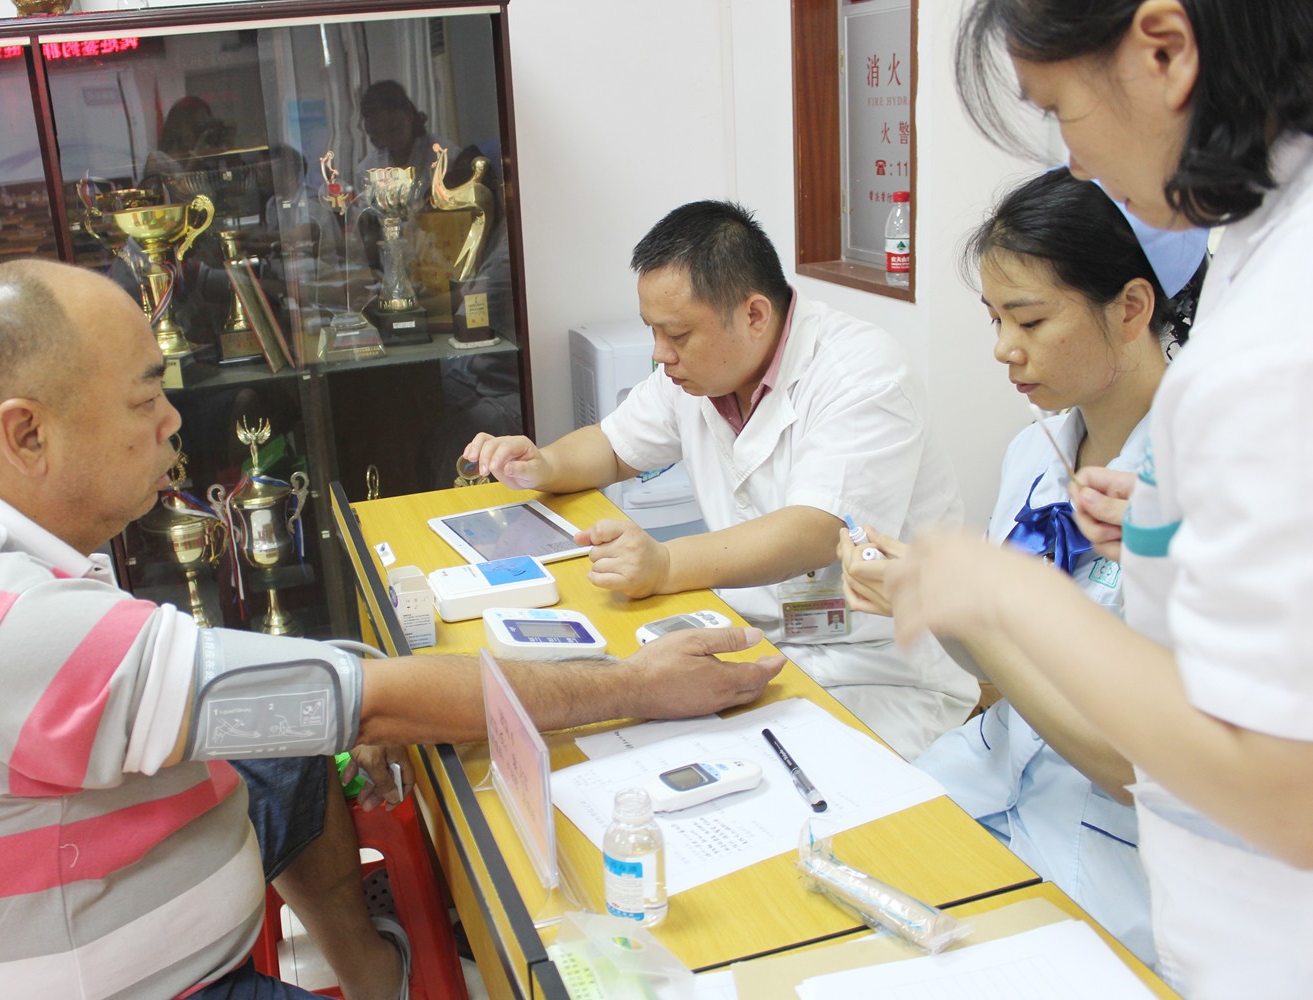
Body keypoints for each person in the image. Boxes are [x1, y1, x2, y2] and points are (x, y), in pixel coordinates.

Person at [0, 258, 784, 999]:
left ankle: (374, 972)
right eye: (145, 398)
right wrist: (639, 683)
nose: (171, 424)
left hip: (78, 903)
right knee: (338, 717)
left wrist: (344, 688)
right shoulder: (18, 630)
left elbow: (312, 694)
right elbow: (374, 703)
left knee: (289, 743)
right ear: (27, 433)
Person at [882, 2, 1313, 993]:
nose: (1073, 160)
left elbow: (1282, 783)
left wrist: (1005, 596)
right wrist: (1159, 534)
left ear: (1164, 51)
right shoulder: (1257, 271)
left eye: (1059, 110)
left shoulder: (1276, 337)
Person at [840, 166, 1207, 965]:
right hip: (989, 780)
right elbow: (999, 669)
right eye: (995, 318)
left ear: (1132, 308)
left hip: (1119, 857)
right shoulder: (1034, 456)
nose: (1004, 348)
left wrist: (972, 608)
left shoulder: (1205, 490)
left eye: (1030, 320)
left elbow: (1144, 768)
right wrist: (926, 594)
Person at [466, 200, 975, 761]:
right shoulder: (698, 374)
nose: (661, 354)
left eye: (677, 334)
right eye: (653, 332)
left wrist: (664, 564)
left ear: (754, 315)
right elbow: (612, 446)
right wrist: (544, 464)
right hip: (753, 635)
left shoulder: (862, 375)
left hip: (875, 667)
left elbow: (816, 531)